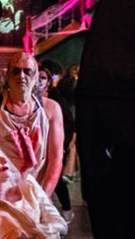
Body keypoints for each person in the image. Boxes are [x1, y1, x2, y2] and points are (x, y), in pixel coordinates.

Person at [0, 50, 65, 196]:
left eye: (27, 71)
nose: (21, 76)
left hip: (36, 193)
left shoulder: (51, 109)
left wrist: (42, 199)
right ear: (7, 76)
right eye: (16, 71)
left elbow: (56, 161)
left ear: (35, 76)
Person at [36, 67, 75, 222]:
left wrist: (62, 145)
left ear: (49, 81)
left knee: (56, 179)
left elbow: (68, 123)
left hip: (54, 145)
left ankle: (66, 209)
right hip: (38, 146)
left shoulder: (56, 99)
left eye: (43, 77)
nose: (39, 80)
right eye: (37, 76)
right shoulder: (30, 98)